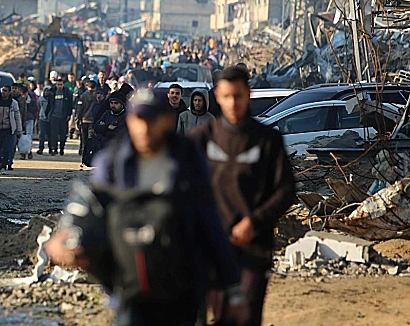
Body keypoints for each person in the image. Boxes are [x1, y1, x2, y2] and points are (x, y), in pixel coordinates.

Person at [45, 89, 247, 326]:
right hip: (130, 292)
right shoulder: (112, 164)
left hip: (183, 290)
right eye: (138, 119)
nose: (144, 128)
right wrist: (66, 237)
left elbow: (209, 221)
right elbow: (87, 209)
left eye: (152, 119)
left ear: (168, 120)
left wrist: (232, 286)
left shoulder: (188, 161)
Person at [189, 66, 295, 326]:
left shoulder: (267, 140)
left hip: (253, 247)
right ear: (217, 96)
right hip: (210, 246)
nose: (232, 103)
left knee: (245, 315)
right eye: (226, 96)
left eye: (238, 96)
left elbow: (285, 190)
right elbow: (181, 188)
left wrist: (254, 222)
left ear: (248, 94)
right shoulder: (201, 139)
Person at [0, 85, 22, 172]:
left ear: (9, 92)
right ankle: (0, 161)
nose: (3, 92)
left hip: (9, 129)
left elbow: (17, 117)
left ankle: (3, 166)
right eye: (2, 90)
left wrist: (19, 130)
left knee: (7, 149)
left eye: (5, 91)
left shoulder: (13, 103)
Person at [46, 78, 73, 156]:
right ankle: (54, 148)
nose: (59, 86)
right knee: (53, 134)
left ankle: (62, 148)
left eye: (61, 84)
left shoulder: (67, 93)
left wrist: (69, 114)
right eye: (58, 84)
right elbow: (49, 104)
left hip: (63, 117)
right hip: (54, 116)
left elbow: (70, 105)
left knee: (63, 134)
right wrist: (47, 113)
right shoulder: (52, 92)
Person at [75, 80, 98, 155]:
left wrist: (77, 120)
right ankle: (89, 152)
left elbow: (79, 109)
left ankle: (82, 150)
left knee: (83, 137)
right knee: (91, 138)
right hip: (93, 121)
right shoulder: (97, 97)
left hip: (84, 120)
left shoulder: (82, 96)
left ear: (87, 87)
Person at [36, 86, 50, 155]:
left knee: (50, 134)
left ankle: (51, 148)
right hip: (42, 118)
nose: (46, 92)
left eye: (48, 91)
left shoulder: (51, 99)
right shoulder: (40, 99)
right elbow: (38, 106)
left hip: (50, 119)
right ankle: (41, 148)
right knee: (42, 134)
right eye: (45, 91)